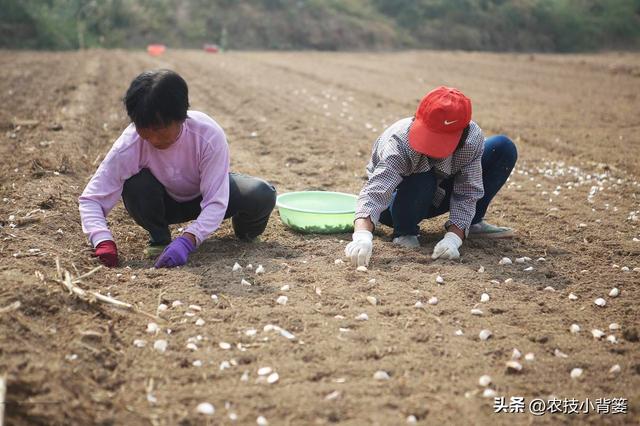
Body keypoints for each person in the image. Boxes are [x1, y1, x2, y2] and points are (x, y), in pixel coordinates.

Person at [79, 69, 276, 268]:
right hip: (164, 203)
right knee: (136, 183)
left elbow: (216, 201)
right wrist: (102, 241)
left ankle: (245, 233)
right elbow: (92, 199)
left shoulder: (208, 135)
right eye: (144, 130)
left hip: (202, 196)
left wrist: (188, 240)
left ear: (181, 117)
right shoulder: (129, 145)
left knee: (260, 193)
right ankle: (159, 238)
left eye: (159, 129)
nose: (153, 139)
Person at [345, 86, 517, 267]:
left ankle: (469, 225)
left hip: (437, 192)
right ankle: (405, 232)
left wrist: (453, 239)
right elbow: (376, 192)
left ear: (462, 133)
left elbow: (468, 191)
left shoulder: (471, 139)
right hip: (397, 202)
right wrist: (362, 236)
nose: (431, 148)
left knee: (502, 147)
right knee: (422, 175)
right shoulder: (400, 141)